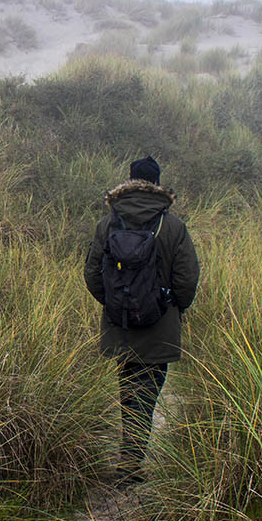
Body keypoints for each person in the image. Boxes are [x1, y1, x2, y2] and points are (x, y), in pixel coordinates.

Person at [83, 156, 200, 484]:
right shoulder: (172, 226)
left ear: (130, 181)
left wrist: (112, 304)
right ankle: (131, 461)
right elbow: (187, 279)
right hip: (158, 323)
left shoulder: (108, 223)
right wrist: (175, 308)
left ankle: (129, 456)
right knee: (148, 388)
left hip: (119, 324)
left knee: (129, 387)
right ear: (157, 184)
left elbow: (92, 274)